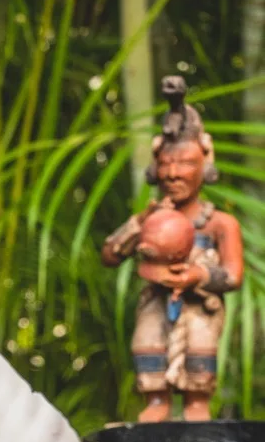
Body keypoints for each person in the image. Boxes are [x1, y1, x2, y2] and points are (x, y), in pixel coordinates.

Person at [101, 81, 244, 423]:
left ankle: (196, 424)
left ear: (204, 166)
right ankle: (154, 415)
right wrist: (137, 227)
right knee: (151, 362)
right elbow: (110, 255)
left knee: (197, 387)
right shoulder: (148, 220)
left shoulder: (219, 223)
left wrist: (199, 275)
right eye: (166, 163)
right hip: (156, 304)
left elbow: (234, 274)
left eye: (185, 163)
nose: (173, 173)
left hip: (200, 309)